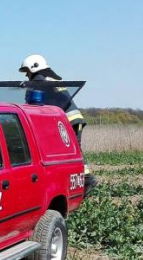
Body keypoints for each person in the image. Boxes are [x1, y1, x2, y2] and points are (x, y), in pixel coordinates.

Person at [19, 54, 98, 193]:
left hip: (68, 121)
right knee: (73, 151)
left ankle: (86, 180)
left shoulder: (39, 80)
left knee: (74, 152)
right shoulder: (50, 79)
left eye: (27, 71)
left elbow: (32, 102)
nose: (26, 75)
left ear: (34, 67)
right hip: (72, 120)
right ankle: (78, 180)